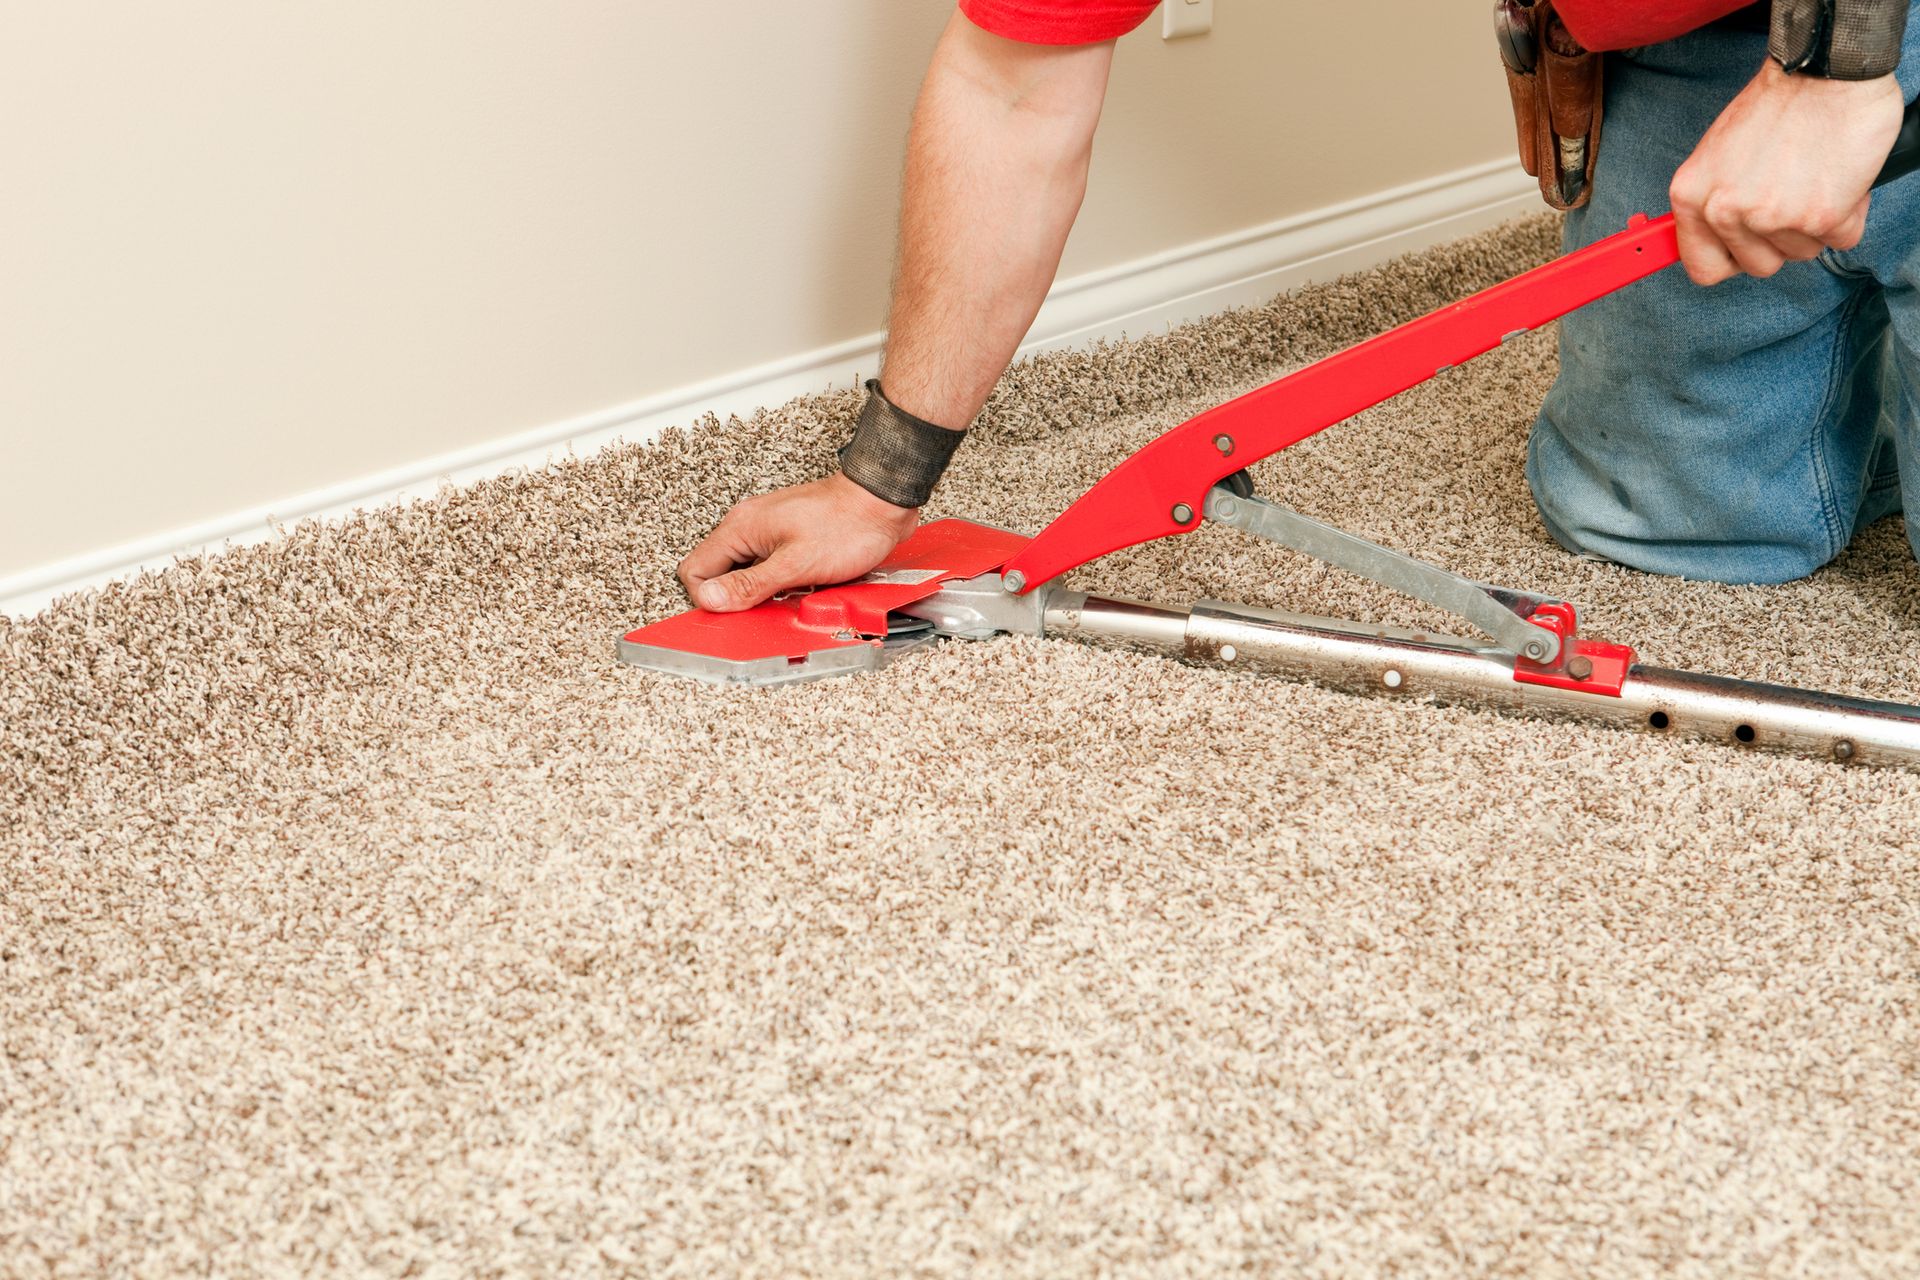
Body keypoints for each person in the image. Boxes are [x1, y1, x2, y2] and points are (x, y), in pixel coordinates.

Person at [680, 1, 1917, 612]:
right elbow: (1013, 93)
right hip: (1703, 36)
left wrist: (1839, 70)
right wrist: (878, 482)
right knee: (1669, 520)